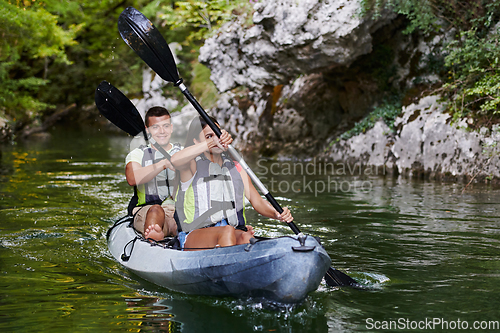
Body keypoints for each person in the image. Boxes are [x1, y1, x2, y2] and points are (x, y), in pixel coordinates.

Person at [171, 116, 294, 250]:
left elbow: (258, 202)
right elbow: (175, 160)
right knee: (227, 231)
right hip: (194, 235)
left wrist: (276, 213)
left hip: (229, 231)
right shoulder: (191, 165)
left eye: (217, 133)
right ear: (196, 141)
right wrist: (210, 143)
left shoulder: (236, 167)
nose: (216, 138)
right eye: (208, 136)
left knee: (246, 237)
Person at [125, 106, 182, 241]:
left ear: (171, 128)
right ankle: (154, 240)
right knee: (156, 210)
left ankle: (178, 235)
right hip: (149, 210)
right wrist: (163, 164)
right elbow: (132, 178)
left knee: (179, 221)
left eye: (166, 126)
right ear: (147, 130)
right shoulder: (137, 154)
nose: (162, 131)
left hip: (177, 212)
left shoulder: (182, 151)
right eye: (155, 127)